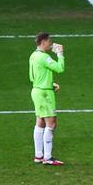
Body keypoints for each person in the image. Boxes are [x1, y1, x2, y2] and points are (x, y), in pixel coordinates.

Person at [28, 32, 65, 166]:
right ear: (43, 42)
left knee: (40, 122)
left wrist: (49, 84)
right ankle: (48, 158)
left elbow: (33, 76)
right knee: (51, 124)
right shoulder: (44, 57)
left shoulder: (33, 55)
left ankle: (38, 155)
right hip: (44, 94)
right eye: (49, 41)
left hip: (37, 90)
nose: (51, 43)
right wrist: (60, 54)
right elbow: (60, 69)